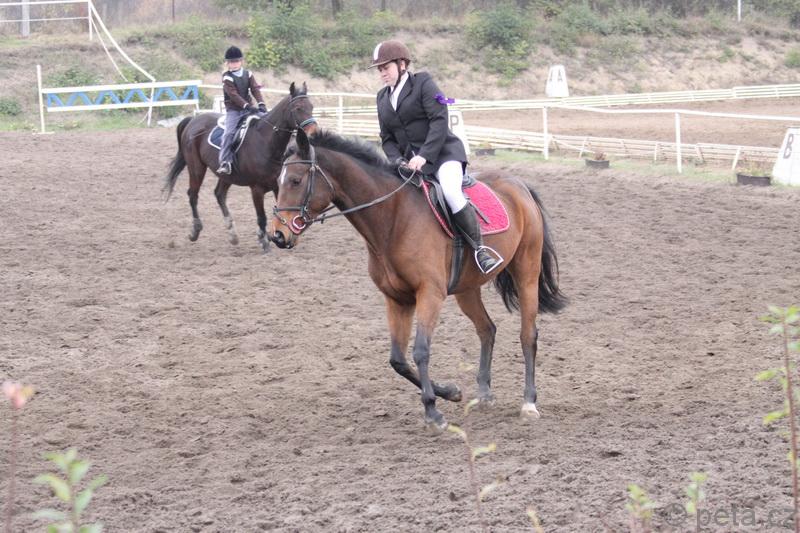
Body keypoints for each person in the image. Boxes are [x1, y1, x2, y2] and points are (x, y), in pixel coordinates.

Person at [369, 39, 503, 274]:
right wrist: (396, 160)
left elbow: (439, 120)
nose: (382, 73)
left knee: (450, 191)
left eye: (386, 67)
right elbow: (387, 138)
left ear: (402, 64)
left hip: (443, 155)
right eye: (379, 69)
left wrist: (424, 156)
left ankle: (480, 250)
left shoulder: (423, 83)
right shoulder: (382, 98)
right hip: (409, 164)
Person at [217, 45, 268, 175]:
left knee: (268, 122)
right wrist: (247, 106)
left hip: (249, 108)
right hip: (234, 111)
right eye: (231, 62)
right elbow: (233, 95)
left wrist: (261, 103)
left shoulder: (248, 74)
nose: (234, 64)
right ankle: (225, 161)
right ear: (227, 63)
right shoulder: (227, 77)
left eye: (236, 61)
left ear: (241, 61)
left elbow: (255, 89)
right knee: (228, 134)